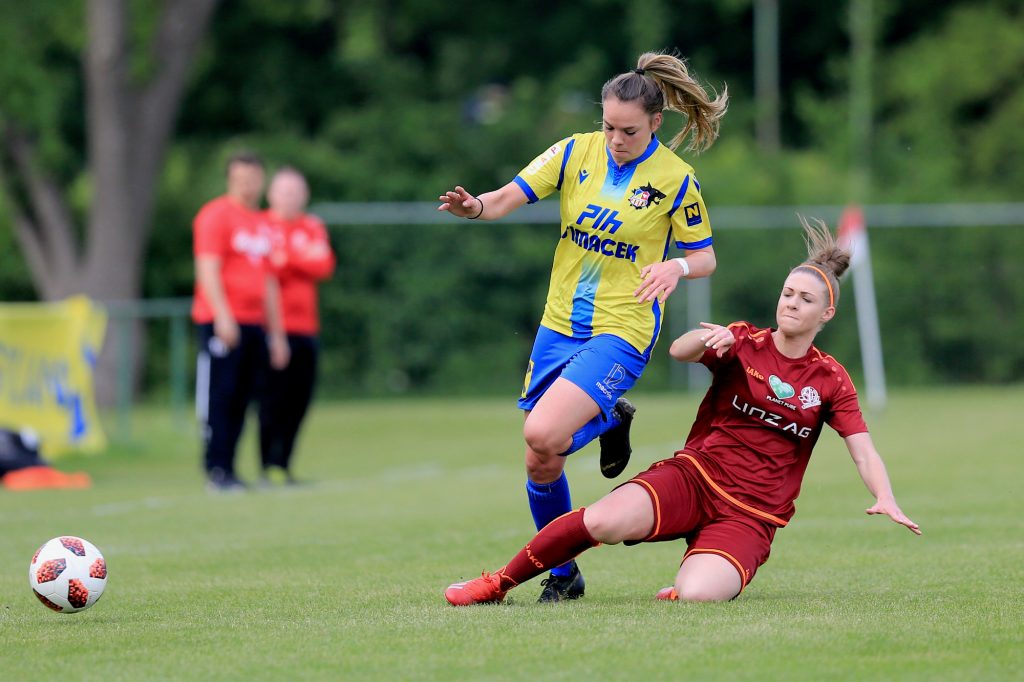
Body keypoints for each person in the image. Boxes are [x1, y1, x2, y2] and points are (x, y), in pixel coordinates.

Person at [445, 217, 920, 606]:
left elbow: (862, 449)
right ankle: (497, 584)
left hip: (750, 515)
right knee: (603, 521)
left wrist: (885, 495)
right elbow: (679, 350)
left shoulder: (830, 378)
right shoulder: (743, 341)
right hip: (694, 477)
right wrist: (708, 338)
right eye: (788, 294)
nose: (791, 303)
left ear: (827, 314)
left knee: (697, 595)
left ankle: (693, 575)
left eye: (806, 299)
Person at [438, 51, 728, 602]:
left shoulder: (676, 179)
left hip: (623, 329)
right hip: (559, 324)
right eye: (608, 126)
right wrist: (474, 207)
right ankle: (565, 574)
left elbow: (706, 257)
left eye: (629, 130)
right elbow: (502, 199)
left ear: (655, 124)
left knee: (542, 434)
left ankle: (607, 418)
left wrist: (677, 265)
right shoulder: (575, 152)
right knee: (539, 458)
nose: (616, 138)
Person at [192, 152, 289, 492]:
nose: (247, 185)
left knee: (243, 400)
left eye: (253, 179)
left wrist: (277, 335)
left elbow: (270, 283)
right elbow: (208, 269)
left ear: (261, 180)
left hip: (254, 325)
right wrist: (222, 315)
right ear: (230, 180)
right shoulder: (215, 215)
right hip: (223, 323)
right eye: (240, 179)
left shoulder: (262, 222)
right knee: (220, 397)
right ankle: (216, 470)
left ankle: (231, 470)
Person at [258, 167, 336, 484]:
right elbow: (264, 267)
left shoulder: (312, 225)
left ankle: (284, 464)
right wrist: (299, 257)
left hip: (306, 328)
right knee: (271, 399)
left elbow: (324, 265)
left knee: (299, 401)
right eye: (284, 191)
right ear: (271, 194)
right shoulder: (261, 226)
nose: (290, 197)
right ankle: (265, 466)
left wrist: (286, 259)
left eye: (296, 191)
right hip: (272, 328)